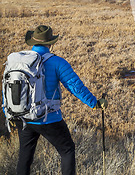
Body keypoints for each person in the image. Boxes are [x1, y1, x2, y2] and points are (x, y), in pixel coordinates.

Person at [8, 25, 107, 175]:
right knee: (67, 150)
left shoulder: (18, 61)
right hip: (49, 118)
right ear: (50, 43)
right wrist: (94, 103)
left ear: (32, 42)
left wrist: (8, 112)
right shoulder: (57, 62)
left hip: (24, 117)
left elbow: (6, 89)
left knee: (25, 157)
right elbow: (75, 87)